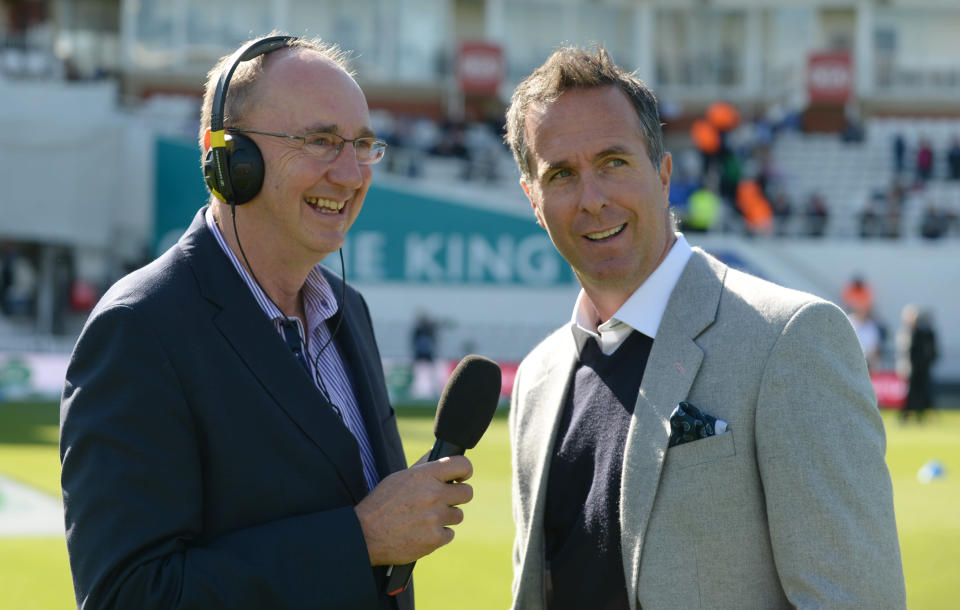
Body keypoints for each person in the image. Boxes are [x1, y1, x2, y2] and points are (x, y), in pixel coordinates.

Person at [59, 34, 474, 610]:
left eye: (363, 144)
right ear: (231, 161)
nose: (352, 174)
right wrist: (360, 539)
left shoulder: (349, 311)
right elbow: (128, 597)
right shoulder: (139, 328)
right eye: (322, 141)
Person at [503, 45, 904, 609]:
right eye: (562, 174)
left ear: (664, 175)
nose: (592, 200)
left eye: (614, 162)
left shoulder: (791, 338)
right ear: (534, 201)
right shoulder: (538, 377)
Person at [897, 305, 939, 423]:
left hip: (921, 368)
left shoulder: (922, 332)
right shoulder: (907, 332)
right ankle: (907, 414)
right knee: (910, 392)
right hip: (911, 367)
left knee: (921, 391)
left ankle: (920, 414)